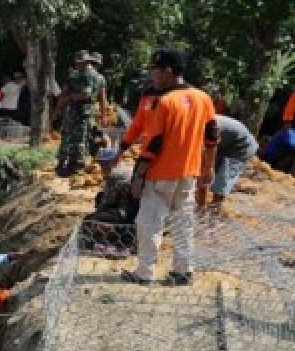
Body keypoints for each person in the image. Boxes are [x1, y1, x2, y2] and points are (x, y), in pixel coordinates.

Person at [115, 49, 218, 286]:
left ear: (168, 71)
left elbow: (154, 143)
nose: (153, 76)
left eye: (155, 70)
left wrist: (139, 175)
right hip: (189, 172)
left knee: (150, 222)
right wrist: (208, 168)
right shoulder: (203, 98)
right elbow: (212, 136)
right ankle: (183, 272)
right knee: (183, 222)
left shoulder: (164, 102)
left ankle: (144, 273)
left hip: (160, 174)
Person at [55, 51, 102, 177]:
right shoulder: (73, 75)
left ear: (87, 62)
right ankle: (61, 162)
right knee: (66, 136)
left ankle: (76, 165)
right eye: (78, 63)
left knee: (80, 138)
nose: (80, 65)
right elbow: (64, 91)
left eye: (83, 63)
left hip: (84, 112)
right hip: (71, 112)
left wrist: (69, 98)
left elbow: (86, 94)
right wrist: (59, 108)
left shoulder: (91, 76)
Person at [209, 114, 258, 205]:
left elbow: (208, 150)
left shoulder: (209, 126)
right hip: (226, 143)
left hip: (241, 146)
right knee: (210, 175)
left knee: (222, 179)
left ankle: (215, 209)